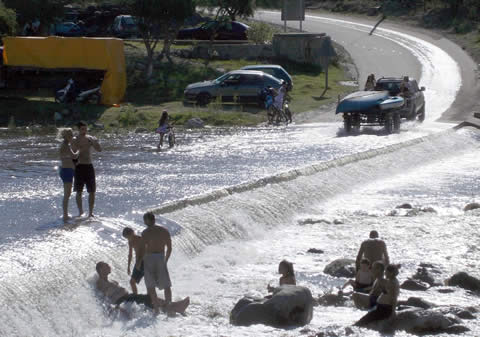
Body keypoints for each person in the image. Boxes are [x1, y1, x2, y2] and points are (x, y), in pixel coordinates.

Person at [95, 261, 189, 317]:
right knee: (149, 298)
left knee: (150, 297)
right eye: (106, 266)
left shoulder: (112, 280)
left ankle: (172, 308)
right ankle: (175, 307)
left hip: (129, 298)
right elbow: (105, 300)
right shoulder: (100, 283)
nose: (109, 266)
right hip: (124, 301)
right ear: (100, 270)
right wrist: (117, 309)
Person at [141, 212, 173, 315]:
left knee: (151, 286)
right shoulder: (164, 231)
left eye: (145, 220)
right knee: (166, 285)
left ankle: (157, 310)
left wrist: (139, 262)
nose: (145, 222)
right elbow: (169, 248)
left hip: (149, 258)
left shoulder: (145, 233)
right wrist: (165, 260)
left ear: (149, 221)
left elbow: (142, 249)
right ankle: (168, 307)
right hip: (160, 257)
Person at [71, 121, 101, 217]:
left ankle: (91, 212)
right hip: (79, 167)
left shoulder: (91, 138)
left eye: (86, 128)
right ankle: (80, 212)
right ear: (78, 129)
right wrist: (81, 147)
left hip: (89, 166)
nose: (84, 131)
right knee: (79, 191)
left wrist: (94, 142)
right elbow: (73, 154)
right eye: (82, 129)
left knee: (92, 191)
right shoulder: (75, 139)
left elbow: (99, 149)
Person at [58, 128, 79, 222]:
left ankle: (65, 214)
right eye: (70, 135)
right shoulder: (65, 145)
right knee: (67, 194)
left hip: (67, 170)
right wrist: (80, 150)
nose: (72, 136)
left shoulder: (66, 144)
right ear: (65, 136)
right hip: (66, 171)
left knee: (68, 193)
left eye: (72, 134)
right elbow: (74, 156)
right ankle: (65, 215)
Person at [122, 227, 145, 294]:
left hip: (145, 261)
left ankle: (150, 296)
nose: (128, 239)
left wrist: (140, 261)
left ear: (132, 233)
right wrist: (128, 267)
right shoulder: (130, 242)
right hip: (138, 262)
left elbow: (145, 251)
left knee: (147, 281)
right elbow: (130, 255)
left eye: (128, 237)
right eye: (126, 238)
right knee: (132, 282)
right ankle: (136, 296)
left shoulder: (140, 239)